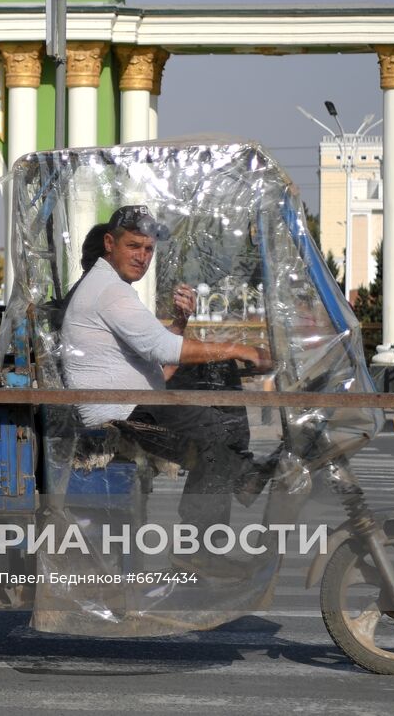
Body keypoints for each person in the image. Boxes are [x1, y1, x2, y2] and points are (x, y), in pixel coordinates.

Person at [58, 205, 275, 568]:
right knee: (217, 431)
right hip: (121, 413)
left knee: (219, 374)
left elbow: (157, 359)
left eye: (148, 249)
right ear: (109, 243)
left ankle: (242, 473)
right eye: (133, 246)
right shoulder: (109, 291)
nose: (142, 257)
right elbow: (161, 350)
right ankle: (202, 544)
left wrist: (180, 322)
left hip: (136, 401)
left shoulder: (113, 287)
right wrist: (244, 350)